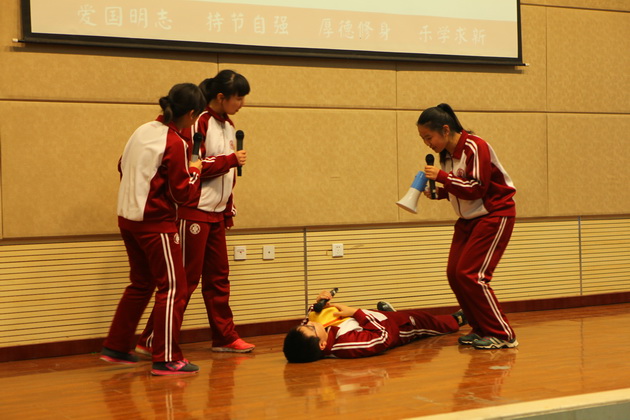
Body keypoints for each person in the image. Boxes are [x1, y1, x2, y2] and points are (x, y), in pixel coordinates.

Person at [136, 69, 254, 355]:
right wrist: (229, 160)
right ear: (221, 97)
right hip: (193, 211)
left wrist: (227, 208)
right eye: (238, 98)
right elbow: (193, 165)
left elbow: (226, 175)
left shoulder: (229, 125)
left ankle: (224, 337)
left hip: (216, 213)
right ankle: (151, 339)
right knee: (185, 281)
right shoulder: (198, 121)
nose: (242, 103)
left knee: (219, 279)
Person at [100, 83, 206, 375]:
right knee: (173, 287)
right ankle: (166, 357)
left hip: (128, 218)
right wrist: (195, 171)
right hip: (155, 223)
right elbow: (182, 194)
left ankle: (117, 346)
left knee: (141, 283)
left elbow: (121, 165)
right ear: (191, 114)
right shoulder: (175, 142)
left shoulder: (142, 130)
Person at [417, 103, 518, 350]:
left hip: (494, 215)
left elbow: (477, 188)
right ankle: (480, 328)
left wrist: (442, 178)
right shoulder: (446, 155)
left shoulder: (475, 146)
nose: (427, 144)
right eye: (423, 139)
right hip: (469, 219)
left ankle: (503, 334)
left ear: (445, 129)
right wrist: (441, 193)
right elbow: (461, 186)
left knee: (473, 275)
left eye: (429, 137)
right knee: (455, 274)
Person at [283, 290, 465, 362]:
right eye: (311, 328)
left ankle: (390, 312)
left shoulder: (319, 331)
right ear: (322, 345)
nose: (310, 323)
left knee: (412, 315)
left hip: (376, 318)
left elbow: (309, 319)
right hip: (398, 328)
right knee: (425, 320)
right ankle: (456, 320)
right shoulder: (346, 344)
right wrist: (356, 312)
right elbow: (382, 338)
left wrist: (318, 304)